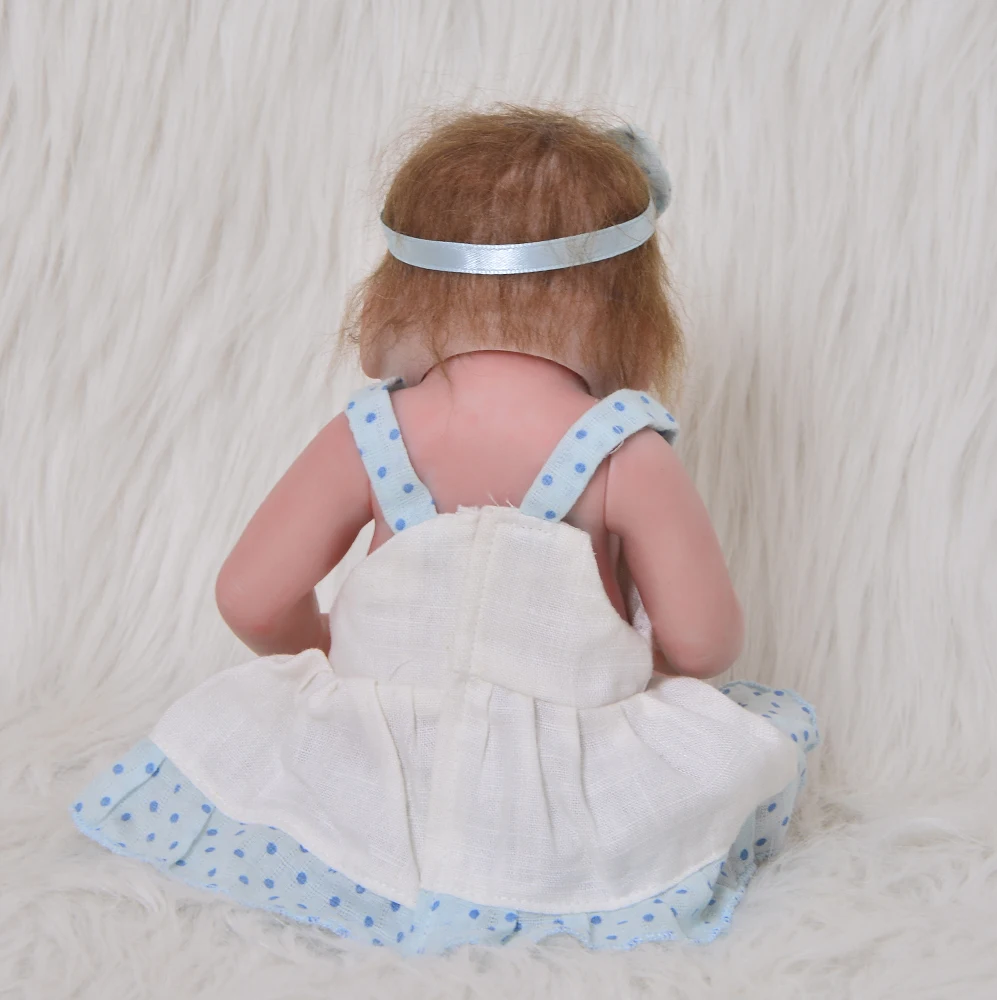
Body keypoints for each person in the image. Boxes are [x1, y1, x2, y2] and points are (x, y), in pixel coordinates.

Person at [71, 106, 819, 954]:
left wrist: (335, 663)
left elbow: (250, 595)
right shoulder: (622, 450)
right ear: (631, 305)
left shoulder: (373, 430)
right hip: (554, 797)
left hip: (370, 774)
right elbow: (706, 641)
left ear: (400, 287)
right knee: (742, 742)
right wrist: (634, 692)